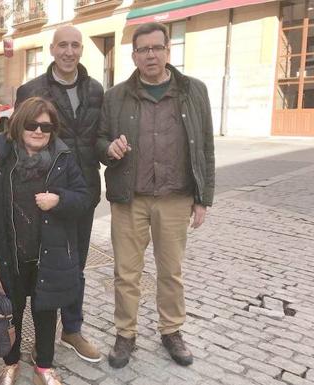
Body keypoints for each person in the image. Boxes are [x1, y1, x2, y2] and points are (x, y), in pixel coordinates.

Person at [96, 22, 215, 369]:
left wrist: (203, 197)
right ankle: (125, 333)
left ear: (167, 50)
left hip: (176, 196)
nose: (150, 55)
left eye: (156, 48)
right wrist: (110, 150)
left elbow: (205, 145)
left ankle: (171, 330)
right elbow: (98, 142)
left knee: (171, 270)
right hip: (129, 197)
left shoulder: (194, 91)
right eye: (143, 49)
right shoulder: (115, 96)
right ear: (133, 55)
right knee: (126, 271)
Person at [0, 25, 103, 363]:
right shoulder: (32, 88)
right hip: (38, 194)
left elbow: (101, 135)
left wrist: (112, 149)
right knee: (39, 268)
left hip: (80, 191)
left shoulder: (95, 89)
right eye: (62, 45)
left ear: (81, 50)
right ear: (52, 48)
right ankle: (42, 338)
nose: (69, 51)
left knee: (74, 265)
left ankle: (72, 329)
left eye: (75, 45)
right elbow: (13, 131)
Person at [0, 97, 90, 385]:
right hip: (10, 252)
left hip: (47, 254)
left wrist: (59, 200)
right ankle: (11, 363)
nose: (38, 131)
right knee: (12, 311)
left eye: (46, 126)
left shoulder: (63, 159)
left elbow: (84, 198)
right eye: (31, 124)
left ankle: (44, 367)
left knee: (46, 310)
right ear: (19, 125)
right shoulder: (1, 158)